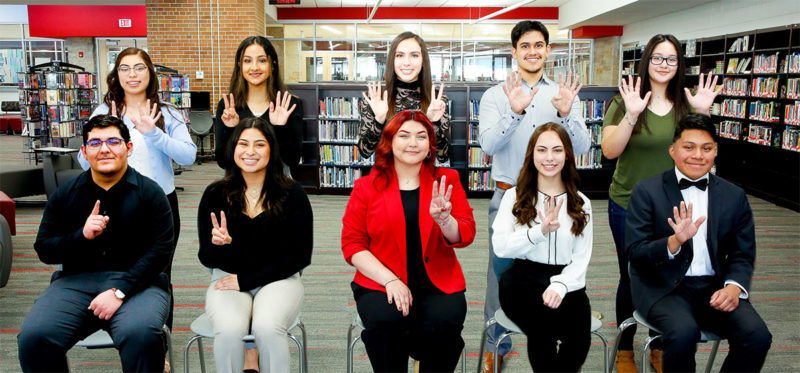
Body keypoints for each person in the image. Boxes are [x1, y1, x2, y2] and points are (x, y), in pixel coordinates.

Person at [600, 34, 721, 372]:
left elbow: (704, 156)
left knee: (670, 276)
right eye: (657, 57)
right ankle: (625, 348)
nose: (664, 65)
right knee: (632, 275)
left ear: (679, 64)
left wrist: (703, 114)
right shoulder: (626, 100)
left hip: (675, 208)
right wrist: (632, 116)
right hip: (627, 204)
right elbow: (609, 151)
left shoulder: (686, 105)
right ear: (646, 61)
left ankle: (659, 341)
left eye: (671, 59)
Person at [18, 115, 174, 372]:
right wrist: (81, 236)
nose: (104, 149)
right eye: (95, 143)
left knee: (141, 335)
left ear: (129, 148)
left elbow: (160, 253)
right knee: (35, 337)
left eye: (114, 141)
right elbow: (44, 249)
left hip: (138, 284)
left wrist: (119, 291)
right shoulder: (65, 195)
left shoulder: (151, 193)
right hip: (75, 283)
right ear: (84, 151)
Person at [477, 20, 590, 372]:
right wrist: (515, 110)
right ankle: (497, 345)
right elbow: (488, 146)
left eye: (538, 45)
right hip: (511, 197)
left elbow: (583, 148)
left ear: (548, 50)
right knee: (501, 280)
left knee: (551, 274)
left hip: (556, 197)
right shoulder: (495, 95)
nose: (532, 51)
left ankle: (548, 332)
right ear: (514, 52)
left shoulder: (561, 93)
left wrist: (567, 113)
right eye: (524, 46)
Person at [625, 113, 771, 372]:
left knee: (757, 336)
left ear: (715, 152)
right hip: (663, 288)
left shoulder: (734, 196)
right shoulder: (646, 191)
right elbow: (636, 253)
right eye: (688, 147)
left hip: (713, 288)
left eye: (706, 148)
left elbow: (742, 252)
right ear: (672, 150)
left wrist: (734, 288)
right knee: (683, 334)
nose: (698, 155)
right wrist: (673, 241)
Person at [78, 49, 197, 360]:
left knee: (160, 276)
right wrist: (108, 140)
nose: (132, 74)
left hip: (160, 207)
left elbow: (188, 155)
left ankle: (161, 351)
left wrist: (153, 133)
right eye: (125, 68)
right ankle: (132, 338)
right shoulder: (105, 111)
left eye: (139, 68)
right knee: (120, 272)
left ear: (149, 74)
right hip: (114, 206)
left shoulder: (166, 112)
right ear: (117, 75)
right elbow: (82, 159)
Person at [341, 110, 476, 372]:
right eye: (404, 136)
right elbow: (353, 245)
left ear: (430, 145)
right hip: (381, 282)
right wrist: (390, 280)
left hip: (438, 282)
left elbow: (466, 234)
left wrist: (445, 221)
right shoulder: (366, 187)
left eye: (421, 136)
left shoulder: (447, 180)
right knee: (386, 323)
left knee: (445, 324)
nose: (413, 143)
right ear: (389, 142)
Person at [198, 117, 312, 373]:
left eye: (259, 144)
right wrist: (218, 245)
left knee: (267, 327)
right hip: (227, 277)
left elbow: (300, 256)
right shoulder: (215, 194)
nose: (250, 152)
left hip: (279, 279)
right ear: (233, 149)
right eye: (243, 144)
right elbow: (206, 257)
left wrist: (247, 280)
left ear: (271, 150)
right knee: (228, 330)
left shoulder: (293, 194)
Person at [492, 123, 593, 372]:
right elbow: (501, 247)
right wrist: (540, 231)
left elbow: (581, 259)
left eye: (557, 150)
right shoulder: (513, 197)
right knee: (543, 330)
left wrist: (560, 285)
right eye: (542, 150)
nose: (549, 158)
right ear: (532, 155)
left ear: (567, 155)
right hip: (522, 281)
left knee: (579, 336)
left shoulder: (582, 203)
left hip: (567, 280)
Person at [359, 31, 450, 164]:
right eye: (400, 55)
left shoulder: (437, 99)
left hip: (424, 180)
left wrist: (433, 123)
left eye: (414, 55)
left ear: (423, 60)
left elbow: (443, 157)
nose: (406, 63)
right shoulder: (376, 99)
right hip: (387, 180)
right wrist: (379, 120)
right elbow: (364, 152)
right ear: (392, 60)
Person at [216, 36, 303, 173]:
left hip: (277, 186)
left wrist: (280, 128)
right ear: (240, 65)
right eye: (247, 61)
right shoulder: (228, 106)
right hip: (238, 186)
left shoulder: (288, 103)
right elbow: (223, 162)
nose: (254, 67)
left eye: (262, 60)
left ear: (272, 65)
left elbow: (293, 160)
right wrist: (231, 129)